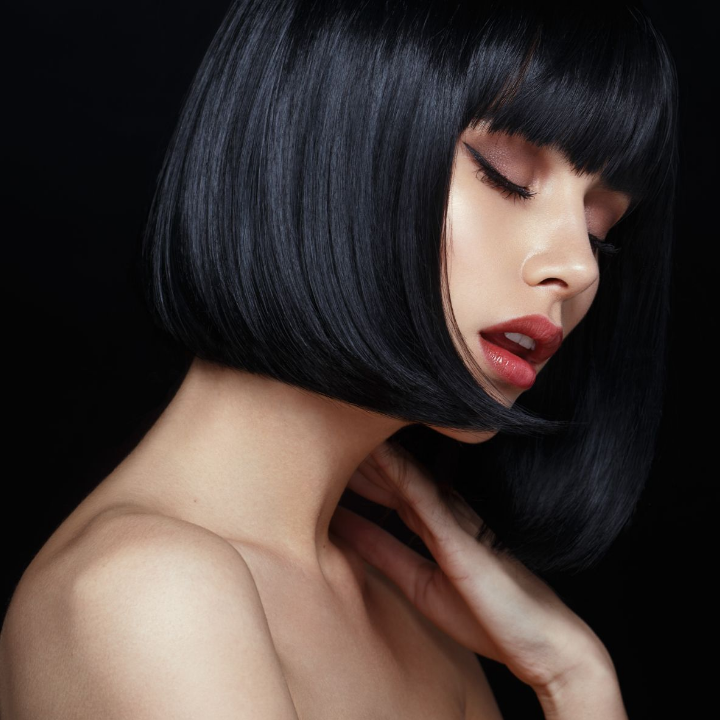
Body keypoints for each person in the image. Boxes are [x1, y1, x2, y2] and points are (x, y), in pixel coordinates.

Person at [0, 1, 677, 718]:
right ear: (324, 142)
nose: (578, 267)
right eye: (505, 175)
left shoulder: (406, 614)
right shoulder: (150, 595)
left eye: (598, 229)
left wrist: (577, 678)